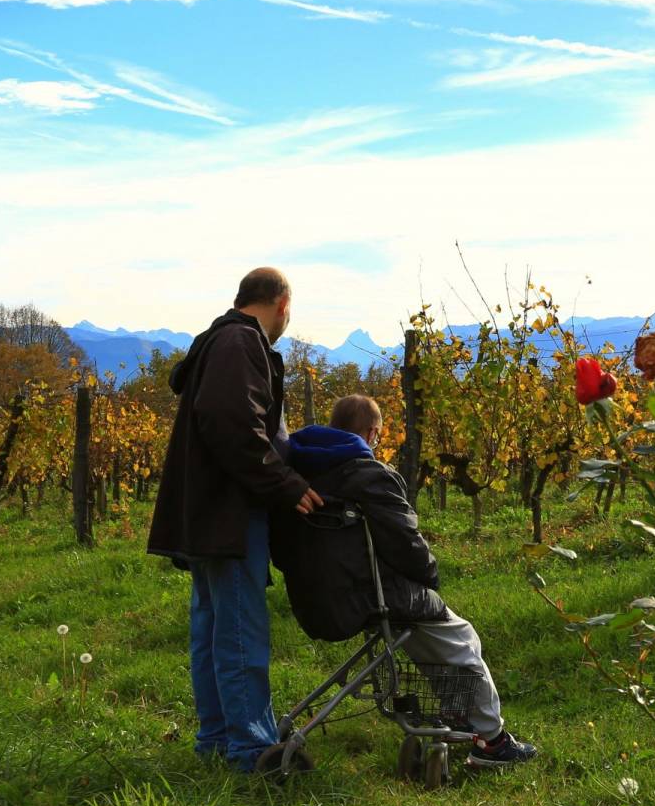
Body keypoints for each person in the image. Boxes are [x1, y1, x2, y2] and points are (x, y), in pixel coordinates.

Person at [272, 394, 537, 768]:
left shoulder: (293, 476)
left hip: (315, 597)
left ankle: (459, 716)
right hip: (368, 595)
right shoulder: (368, 475)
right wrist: (430, 578)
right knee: (459, 636)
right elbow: (406, 543)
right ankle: (492, 741)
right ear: (372, 433)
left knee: (419, 632)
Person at [147, 267, 324, 772]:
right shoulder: (241, 343)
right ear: (282, 305)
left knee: (214, 625)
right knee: (240, 629)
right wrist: (286, 484)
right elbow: (233, 426)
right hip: (230, 510)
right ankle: (250, 749)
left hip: (207, 510)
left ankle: (219, 739)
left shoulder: (218, 340)